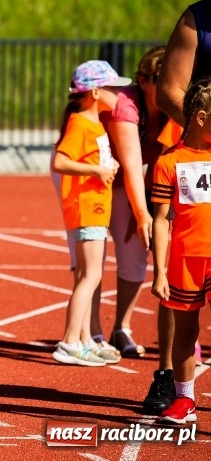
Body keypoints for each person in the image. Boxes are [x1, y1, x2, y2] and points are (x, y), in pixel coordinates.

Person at [145, 0, 211, 414]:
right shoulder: (198, 19)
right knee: (181, 307)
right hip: (194, 153)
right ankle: (171, 379)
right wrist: (201, 132)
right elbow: (169, 90)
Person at [51, 60, 130, 366]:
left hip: (94, 207)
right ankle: (70, 341)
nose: (118, 94)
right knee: (92, 275)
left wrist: (105, 166)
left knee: (88, 275)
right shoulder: (80, 124)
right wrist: (97, 170)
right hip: (87, 209)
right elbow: (60, 162)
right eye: (112, 88)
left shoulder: (94, 123)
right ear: (96, 92)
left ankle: (84, 339)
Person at [91, 46, 168, 357]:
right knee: (91, 252)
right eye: (159, 78)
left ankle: (121, 328)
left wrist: (146, 209)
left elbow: (162, 165)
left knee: (136, 248)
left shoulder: (175, 107)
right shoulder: (125, 105)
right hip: (89, 174)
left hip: (124, 177)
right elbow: (133, 164)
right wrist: (140, 211)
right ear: (143, 81)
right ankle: (90, 333)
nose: (167, 84)